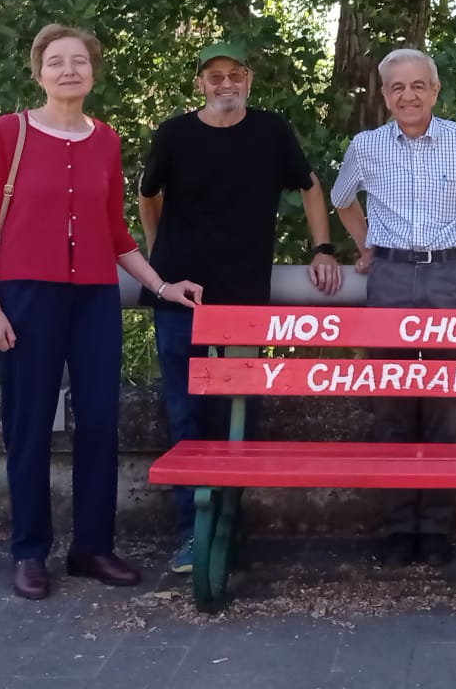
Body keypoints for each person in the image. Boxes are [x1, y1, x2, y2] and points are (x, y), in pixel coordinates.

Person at [0, 24, 202, 601]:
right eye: (56, 62)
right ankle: (29, 552)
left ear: (93, 72)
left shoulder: (106, 140)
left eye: (79, 61)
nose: (68, 70)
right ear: (38, 72)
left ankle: (92, 547)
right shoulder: (10, 132)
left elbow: (116, 233)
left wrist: (162, 285)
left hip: (95, 298)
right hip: (25, 296)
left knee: (100, 421)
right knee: (28, 426)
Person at [139, 40, 344, 574]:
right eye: (214, 76)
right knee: (186, 417)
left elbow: (311, 186)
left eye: (235, 74)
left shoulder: (271, 131)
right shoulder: (175, 133)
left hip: (246, 301)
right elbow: (148, 193)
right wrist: (159, 258)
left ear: (249, 80)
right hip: (182, 297)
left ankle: (229, 527)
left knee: (239, 421)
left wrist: (322, 248)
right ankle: (191, 536)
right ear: (200, 84)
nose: (225, 84)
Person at [331, 47, 456, 567]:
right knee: (391, 402)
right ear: (384, 96)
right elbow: (341, 198)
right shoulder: (367, 146)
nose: (408, 95)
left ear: (436, 91)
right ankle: (400, 527)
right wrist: (366, 245)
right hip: (391, 276)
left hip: (448, 274)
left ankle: (438, 527)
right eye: (397, 88)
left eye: (418, 85)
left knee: (445, 403)